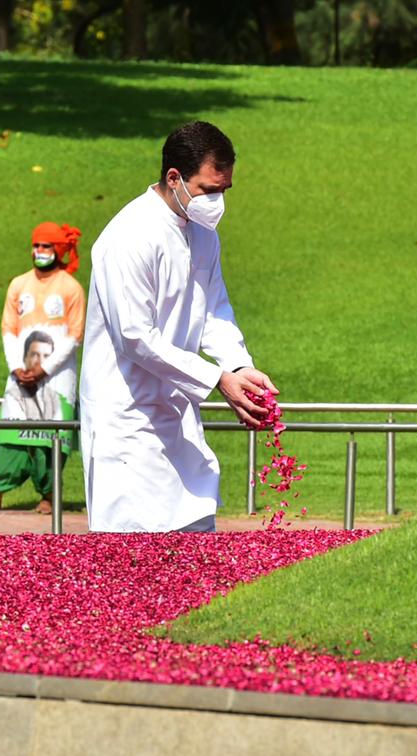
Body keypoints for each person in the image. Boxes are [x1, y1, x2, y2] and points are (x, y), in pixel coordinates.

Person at [80, 121, 276, 533]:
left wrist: (239, 367)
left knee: (195, 545)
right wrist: (217, 378)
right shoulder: (129, 236)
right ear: (174, 177)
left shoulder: (203, 234)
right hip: (127, 422)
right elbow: (135, 337)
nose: (217, 202)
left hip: (178, 415)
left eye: (225, 190)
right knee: (133, 557)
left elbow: (213, 309)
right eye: (209, 189)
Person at [0, 222, 86, 513]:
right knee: (9, 435)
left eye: (46, 246)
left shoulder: (70, 288)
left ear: (58, 250)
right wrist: (17, 367)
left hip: (56, 379)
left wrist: (44, 369)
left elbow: (75, 335)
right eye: (37, 245)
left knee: (48, 439)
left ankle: (49, 495)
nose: (39, 251)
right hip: (20, 375)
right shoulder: (18, 284)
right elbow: (8, 329)